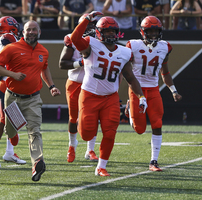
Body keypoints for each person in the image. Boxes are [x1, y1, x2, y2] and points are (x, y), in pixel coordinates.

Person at [70, 11, 147, 176]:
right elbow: (74, 39)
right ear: (99, 32)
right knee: (86, 133)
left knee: (110, 132)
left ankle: (101, 166)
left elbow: (131, 78)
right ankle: (85, 136)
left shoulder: (124, 52)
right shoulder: (91, 44)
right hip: (89, 95)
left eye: (113, 31)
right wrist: (85, 20)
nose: (110, 34)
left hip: (110, 98)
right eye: (107, 31)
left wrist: (141, 96)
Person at [0, 20, 61, 181]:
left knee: (34, 130)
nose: (31, 32)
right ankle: (11, 138)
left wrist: (51, 86)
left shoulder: (43, 51)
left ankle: (37, 163)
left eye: (34, 29)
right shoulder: (11, 48)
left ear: (39, 32)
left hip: (33, 98)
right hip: (13, 97)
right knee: (11, 131)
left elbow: (44, 67)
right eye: (28, 29)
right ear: (23, 33)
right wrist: (13, 75)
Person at [125, 16, 182, 172]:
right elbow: (125, 70)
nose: (153, 34)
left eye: (155, 31)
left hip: (154, 89)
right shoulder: (132, 45)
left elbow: (165, 72)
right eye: (149, 31)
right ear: (143, 32)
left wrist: (173, 90)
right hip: (137, 91)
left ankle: (154, 161)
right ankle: (130, 108)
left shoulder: (165, 47)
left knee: (157, 123)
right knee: (139, 129)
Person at [0, 16, 26, 168]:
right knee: (5, 120)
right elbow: (9, 59)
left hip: (12, 83)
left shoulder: (10, 38)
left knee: (13, 120)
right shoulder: (6, 39)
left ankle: (9, 152)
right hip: (6, 84)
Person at [59, 13, 99, 163]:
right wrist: (81, 63)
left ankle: (90, 149)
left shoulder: (99, 39)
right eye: (86, 24)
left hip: (93, 84)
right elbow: (63, 63)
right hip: (75, 82)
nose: (89, 28)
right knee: (73, 117)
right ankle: (72, 146)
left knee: (93, 117)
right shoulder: (71, 38)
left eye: (91, 25)